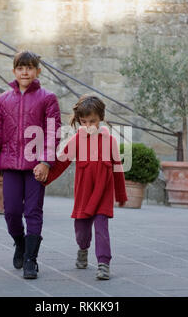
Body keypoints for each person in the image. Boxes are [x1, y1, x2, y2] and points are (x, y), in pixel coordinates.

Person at [0, 50, 61, 279]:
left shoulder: (48, 98)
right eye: (21, 67)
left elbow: (53, 133)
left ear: (38, 71)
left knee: (33, 211)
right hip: (11, 165)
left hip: (36, 166)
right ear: (14, 71)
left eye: (30, 67)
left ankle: (31, 260)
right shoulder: (4, 99)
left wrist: (46, 161)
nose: (25, 71)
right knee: (12, 212)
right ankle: (19, 243)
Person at [38, 95, 127, 280]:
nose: (88, 126)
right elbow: (61, 162)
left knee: (102, 228)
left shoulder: (110, 141)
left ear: (101, 118)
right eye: (83, 122)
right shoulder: (77, 139)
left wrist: (121, 195)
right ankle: (83, 248)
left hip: (103, 193)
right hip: (84, 194)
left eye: (92, 121)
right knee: (81, 229)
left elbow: (118, 169)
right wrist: (46, 178)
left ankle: (103, 263)